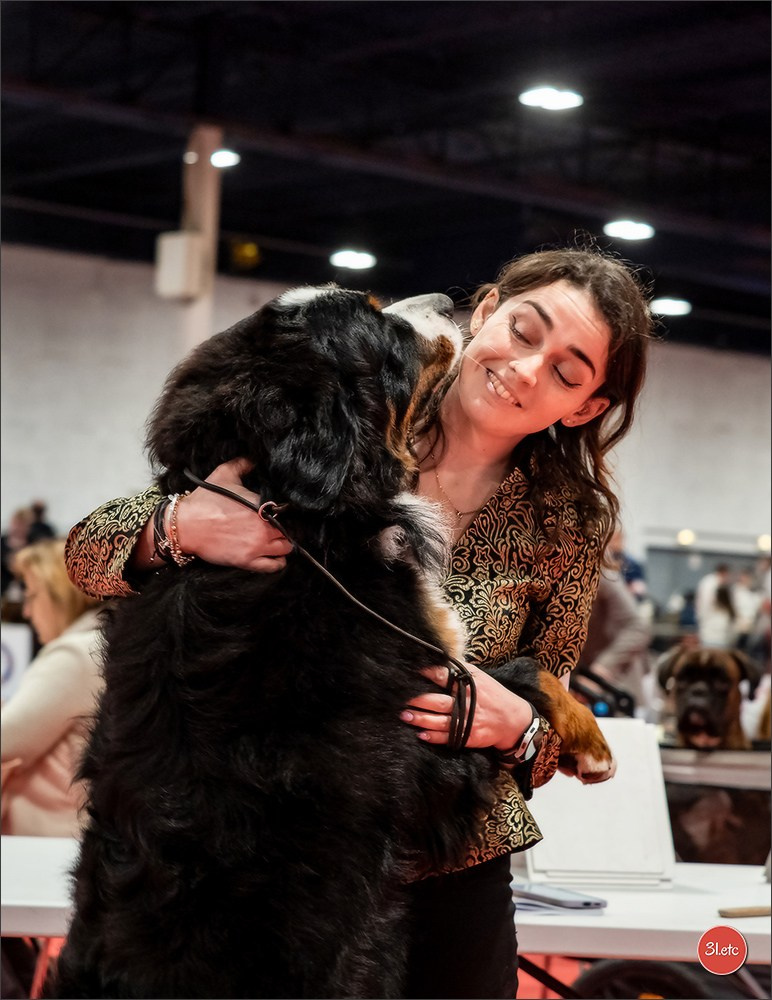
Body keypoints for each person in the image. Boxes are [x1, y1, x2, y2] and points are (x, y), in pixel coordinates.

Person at [64, 246, 654, 999]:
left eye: (569, 372)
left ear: (586, 407)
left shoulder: (569, 522)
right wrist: (177, 525)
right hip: (269, 856)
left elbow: (546, 737)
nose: (528, 368)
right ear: (486, 313)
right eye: (524, 329)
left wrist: (523, 728)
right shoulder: (348, 412)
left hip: (452, 866)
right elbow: (86, 554)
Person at [1, 538, 104, 836]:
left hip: (52, 842)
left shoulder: (74, 654)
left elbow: (7, 738)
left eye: (32, 596)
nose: (27, 612)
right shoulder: (98, 643)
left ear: (61, 595)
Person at [578, 566, 653, 715]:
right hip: (580, 687)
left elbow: (638, 628)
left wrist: (602, 668)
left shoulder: (604, 578)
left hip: (619, 687)